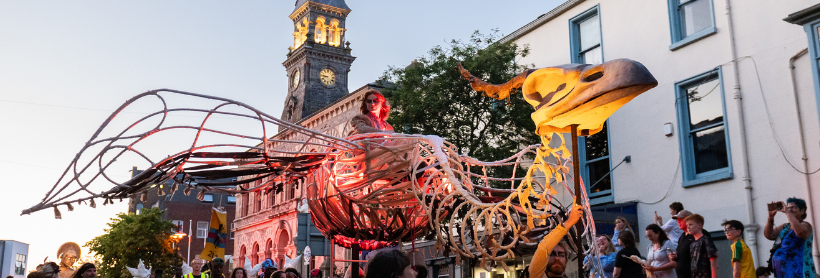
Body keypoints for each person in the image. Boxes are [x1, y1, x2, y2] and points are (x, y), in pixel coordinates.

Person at [523, 204, 583, 278]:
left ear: (566, 260)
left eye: (561, 255)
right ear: (546, 259)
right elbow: (544, 248)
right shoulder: (536, 275)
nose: (557, 258)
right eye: (552, 254)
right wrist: (569, 222)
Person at [763, 197, 816, 277]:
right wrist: (770, 218)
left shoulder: (806, 225)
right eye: (788, 207)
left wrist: (787, 212)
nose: (790, 209)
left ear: (802, 211)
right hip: (784, 272)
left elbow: (800, 232)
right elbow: (769, 235)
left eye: (793, 207)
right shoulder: (785, 226)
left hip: (800, 271)